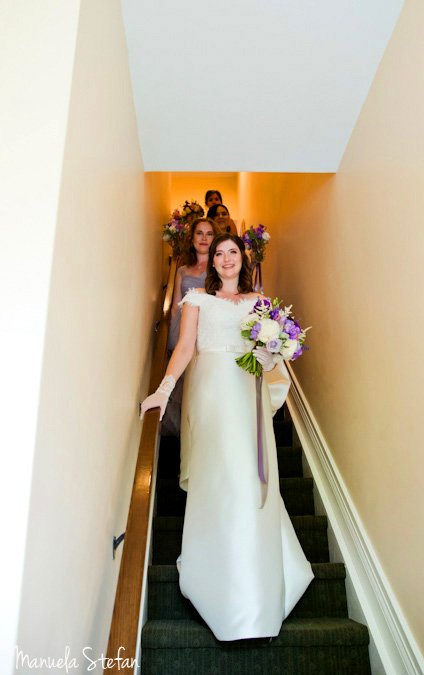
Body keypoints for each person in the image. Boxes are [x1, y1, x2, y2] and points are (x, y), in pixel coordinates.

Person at [141, 233, 313, 641]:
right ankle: (214, 572)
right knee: (220, 476)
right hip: (211, 393)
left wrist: (273, 352)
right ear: (212, 263)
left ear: (243, 258)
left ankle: (258, 586)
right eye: (218, 253)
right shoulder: (197, 299)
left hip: (245, 391)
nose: (225, 258)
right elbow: (184, 348)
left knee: (249, 476)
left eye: (232, 251)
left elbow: (269, 355)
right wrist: (164, 391)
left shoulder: (260, 303)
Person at [161, 218, 221, 436]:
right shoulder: (182, 270)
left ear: (215, 239)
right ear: (192, 238)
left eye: (209, 234)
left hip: (207, 329)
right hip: (182, 329)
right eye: (199, 233)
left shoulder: (220, 267)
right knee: (185, 391)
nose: (204, 238)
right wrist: (171, 338)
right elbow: (176, 307)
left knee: (202, 387)